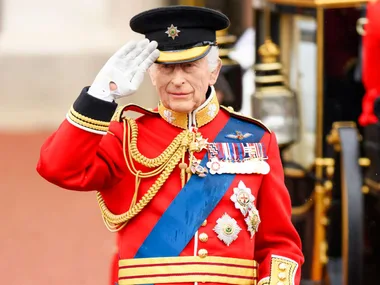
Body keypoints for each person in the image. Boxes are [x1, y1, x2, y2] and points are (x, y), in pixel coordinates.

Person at [36, 6, 304, 285]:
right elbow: (57, 168)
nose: (178, 80)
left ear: (214, 71)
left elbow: (279, 244)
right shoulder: (126, 136)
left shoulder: (256, 138)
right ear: (151, 73)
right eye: (166, 68)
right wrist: (100, 96)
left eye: (189, 66)